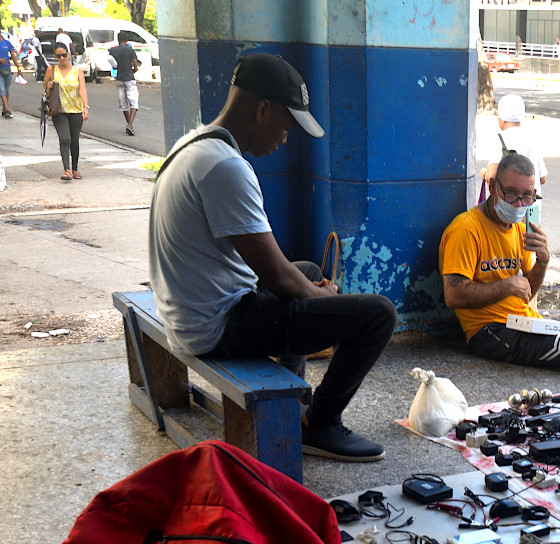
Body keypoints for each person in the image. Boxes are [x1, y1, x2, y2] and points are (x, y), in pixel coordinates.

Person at [148, 53, 398, 462]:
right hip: (215, 326)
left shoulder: (192, 146)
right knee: (378, 315)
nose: (286, 138)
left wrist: (310, 289)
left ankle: (291, 398)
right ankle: (320, 424)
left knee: (309, 272)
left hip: (189, 311)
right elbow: (280, 280)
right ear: (262, 109)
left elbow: (276, 269)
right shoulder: (226, 168)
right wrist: (326, 298)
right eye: (286, 125)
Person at [439, 151, 560, 387]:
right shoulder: (467, 230)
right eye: (511, 193)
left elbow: (527, 293)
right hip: (489, 331)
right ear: (493, 187)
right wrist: (507, 285)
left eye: (527, 196)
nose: (519, 204)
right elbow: (454, 295)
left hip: (523, 322)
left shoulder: (520, 230)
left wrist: (542, 260)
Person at [483, 94, 548, 219]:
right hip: (533, 209)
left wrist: (485, 174)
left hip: (512, 209)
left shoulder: (502, 139)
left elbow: (491, 175)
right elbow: (542, 178)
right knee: (534, 237)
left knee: (513, 238)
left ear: (501, 118)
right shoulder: (532, 138)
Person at [44, 44, 88, 180]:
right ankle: (66, 170)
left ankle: (75, 169)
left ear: (69, 54)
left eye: (64, 55)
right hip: (59, 110)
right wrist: (49, 86)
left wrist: (85, 106)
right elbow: (45, 88)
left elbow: (82, 89)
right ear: (55, 57)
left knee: (74, 141)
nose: (62, 58)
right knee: (65, 138)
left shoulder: (77, 71)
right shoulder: (51, 70)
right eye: (59, 56)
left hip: (75, 110)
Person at [108, 32, 140, 136]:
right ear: (126, 41)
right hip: (129, 79)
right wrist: (132, 71)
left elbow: (113, 64)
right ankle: (130, 125)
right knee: (134, 102)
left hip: (119, 79)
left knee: (123, 104)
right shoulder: (130, 50)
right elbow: (136, 67)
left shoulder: (112, 50)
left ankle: (129, 125)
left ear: (118, 40)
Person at [0, 31, 24, 119]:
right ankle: (7, 110)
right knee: (2, 90)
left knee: (6, 90)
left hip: (7, 70)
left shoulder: (6, 43)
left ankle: (4, 109)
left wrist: (19, 68)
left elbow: (13, 56)